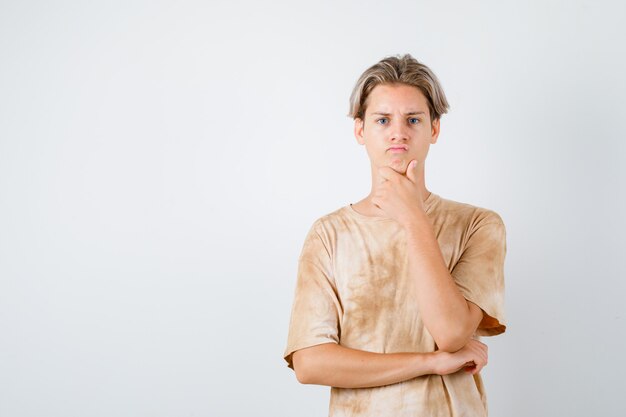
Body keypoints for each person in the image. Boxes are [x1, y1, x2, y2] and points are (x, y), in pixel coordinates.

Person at [283, 53, 507, 417]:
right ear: (360, 130)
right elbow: (310, 363)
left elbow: (450, 332)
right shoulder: (329, 234)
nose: (398, 132)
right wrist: (429, 362)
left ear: (434, 129)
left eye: (413, 119)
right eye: (383, 119)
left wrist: (413, 217)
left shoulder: (478, 225)